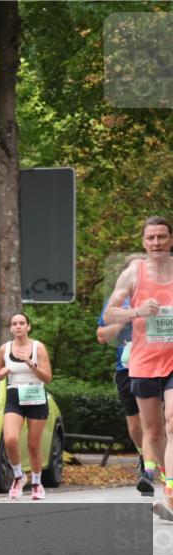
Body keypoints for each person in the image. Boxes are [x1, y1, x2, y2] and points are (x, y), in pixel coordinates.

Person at [104, 215, 173, 521]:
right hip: (144, 361)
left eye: (162, 237)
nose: (156, 242)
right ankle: (168, 484)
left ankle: (171, 495)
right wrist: (137, 311)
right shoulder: (133, 273)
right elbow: (110, 314)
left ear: (170, 239)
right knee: (154, 432)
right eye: (151, 238)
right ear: (143, 242)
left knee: (172, 422)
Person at [96, 254, 148, 494]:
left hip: (158, 366)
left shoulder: (159, 295)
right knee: (136, 423)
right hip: (126, 368)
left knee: (162, 420)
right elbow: (102, 336)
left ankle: (151, 468)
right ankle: (143, 455)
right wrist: (130, 316)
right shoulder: (117, 303)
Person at [0, 313, 54, 500]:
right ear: (11, 328)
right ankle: (19, 477)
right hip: (14, 397)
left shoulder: (39, 348)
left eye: (22, 323)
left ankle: (37, 483)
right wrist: (1, 373)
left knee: (33, 445)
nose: (18, 326)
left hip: (36, 396)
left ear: (28, 327)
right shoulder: (4, 349)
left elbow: (48, 378)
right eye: (14, 324)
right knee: (10, 439)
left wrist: (32, 365)